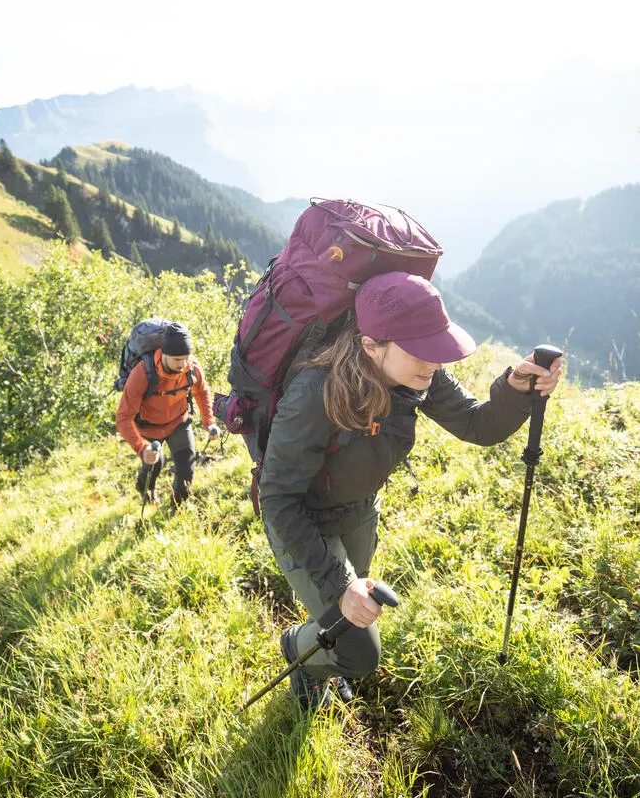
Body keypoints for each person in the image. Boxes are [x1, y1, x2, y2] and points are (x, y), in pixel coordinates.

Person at [258, 271, 562, 710]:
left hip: (359, 512)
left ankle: (322, 650)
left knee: (342, 610)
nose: (435, 362)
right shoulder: (315, 392)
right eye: (422, 351)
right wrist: (340, 585)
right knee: (359, 650)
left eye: (438, 348)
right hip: (304, 520)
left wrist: (514, 388)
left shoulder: (419, 376)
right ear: (370, 345)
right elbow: (279, 498)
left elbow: (477, 423)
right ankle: (300, 653)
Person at [115, 321, 220, 509]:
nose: (182, 364)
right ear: (164, 354)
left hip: (178, 422)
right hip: (148, 428)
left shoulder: (192, 367)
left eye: (186, 358)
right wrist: (142, 448)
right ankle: (146, 491)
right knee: (155, 464)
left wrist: (209, 422)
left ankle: (176, 507)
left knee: (187, 468)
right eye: (177, 359)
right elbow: (123, 417)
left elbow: (202, 392)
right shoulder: (143, 373)